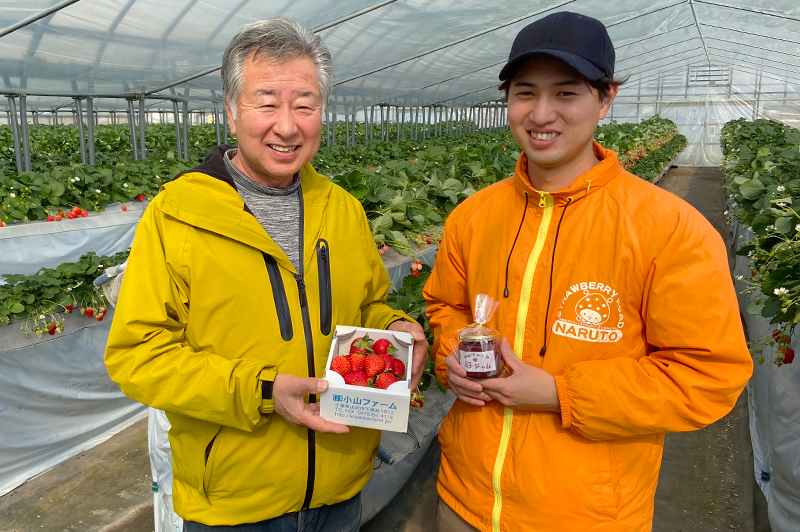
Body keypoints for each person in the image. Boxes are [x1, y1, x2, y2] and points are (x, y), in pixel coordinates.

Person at [423, 12, 752, 532]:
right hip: (464, 500)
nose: (541, 113)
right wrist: (453, 357)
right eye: (525, 93)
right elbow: (448, 307)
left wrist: (560, 394)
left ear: (606, 98)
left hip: (586, 515)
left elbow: (707, 377)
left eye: (567, 93)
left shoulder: (667, 228)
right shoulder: (474, 215)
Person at [104, 17, 428, 531]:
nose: (287, 124)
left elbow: (365, 305)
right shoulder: (177, 216)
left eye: (304, 104)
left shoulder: (342, 209)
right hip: (235, 502)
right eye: (266, 103)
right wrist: (262, 390)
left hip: (340, 489)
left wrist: (395, 329)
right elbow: (139, 355)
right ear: (232, 113)